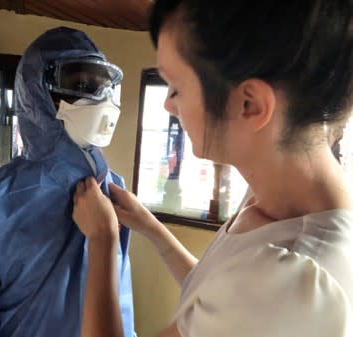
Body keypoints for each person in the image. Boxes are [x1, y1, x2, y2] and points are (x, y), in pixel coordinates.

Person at [72, 1, 353, 337]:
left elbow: (248, 297)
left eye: (176, 87)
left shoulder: (290, 282)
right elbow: (218, 300)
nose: (168, 104)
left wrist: (102, 241)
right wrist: (151, 227)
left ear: (250, 104)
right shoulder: (276, 191)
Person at [0, 26, 136, 337]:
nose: (100, 99)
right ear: (38, 94)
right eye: (82, 84)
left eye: (104, 85)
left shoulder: (114, 192)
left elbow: (120, 311)